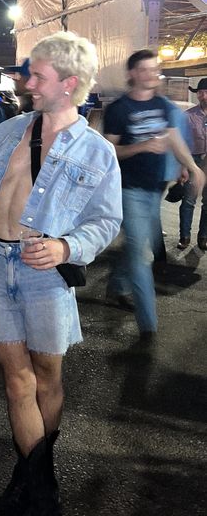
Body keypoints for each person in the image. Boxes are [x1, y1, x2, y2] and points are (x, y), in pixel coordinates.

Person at [0, 31, 123, 516]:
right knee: (16, 381)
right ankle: (41, 493)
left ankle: (31, 475)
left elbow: (106, 220)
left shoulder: (96, 151)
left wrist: (66, 246)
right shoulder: (9, 129)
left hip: (43, 272)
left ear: (68, 83)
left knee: (47, 380)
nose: (26, 82)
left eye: (36, 75)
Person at [103, 49, 205, 339]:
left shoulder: (161, 104)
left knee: (136, 244)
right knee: (139, 254)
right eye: (146, 70)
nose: (152, 74)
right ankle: (148, 325)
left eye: (155, 69)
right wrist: (143, 146)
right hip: (128, 188)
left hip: (154, 188)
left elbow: (173, 138)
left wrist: (191, 167)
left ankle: (116, 286)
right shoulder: (119, 109)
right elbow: (108, 151)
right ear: (133, 73)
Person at [177, 78, 207, 250]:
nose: (203, 96)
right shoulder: (188, 116)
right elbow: (181, 143)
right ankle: (185, 237)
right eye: (200, 93)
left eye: (205, 92)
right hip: (192, 160)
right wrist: (183, 168)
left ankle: (203, 237)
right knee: (188, 201)